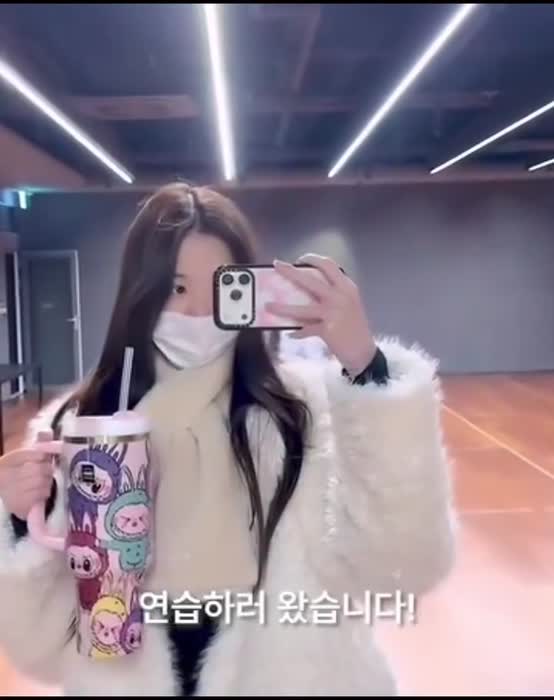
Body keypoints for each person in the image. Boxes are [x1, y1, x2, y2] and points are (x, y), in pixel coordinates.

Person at [0, 183, 456, 696]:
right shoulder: (80, 426)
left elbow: (403, 565)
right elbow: (40, 646)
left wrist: (365, 367)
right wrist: (19, 520)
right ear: (140, 293)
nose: (198, 313)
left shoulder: (304, 413)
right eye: (176, 288)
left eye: (222, 286)